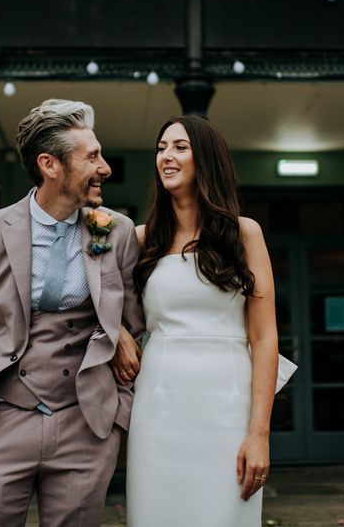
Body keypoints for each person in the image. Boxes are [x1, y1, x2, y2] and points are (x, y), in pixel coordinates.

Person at [0, 98, 144, 527]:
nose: (105, 167)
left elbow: (132, 322)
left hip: (85, 426)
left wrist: (116, 421)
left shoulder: (115, 231)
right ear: (50, 165)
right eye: (92, 157)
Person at [114, 115, 279, 526]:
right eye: (161, 148)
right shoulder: (139, 239)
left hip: (228, 405)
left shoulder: (245, 235)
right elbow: (89, 299)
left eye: (179, 147)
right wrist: (115, 331)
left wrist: (259, 433)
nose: (166, 157)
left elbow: (264, 337)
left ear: (205, 159)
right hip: (159, 406)